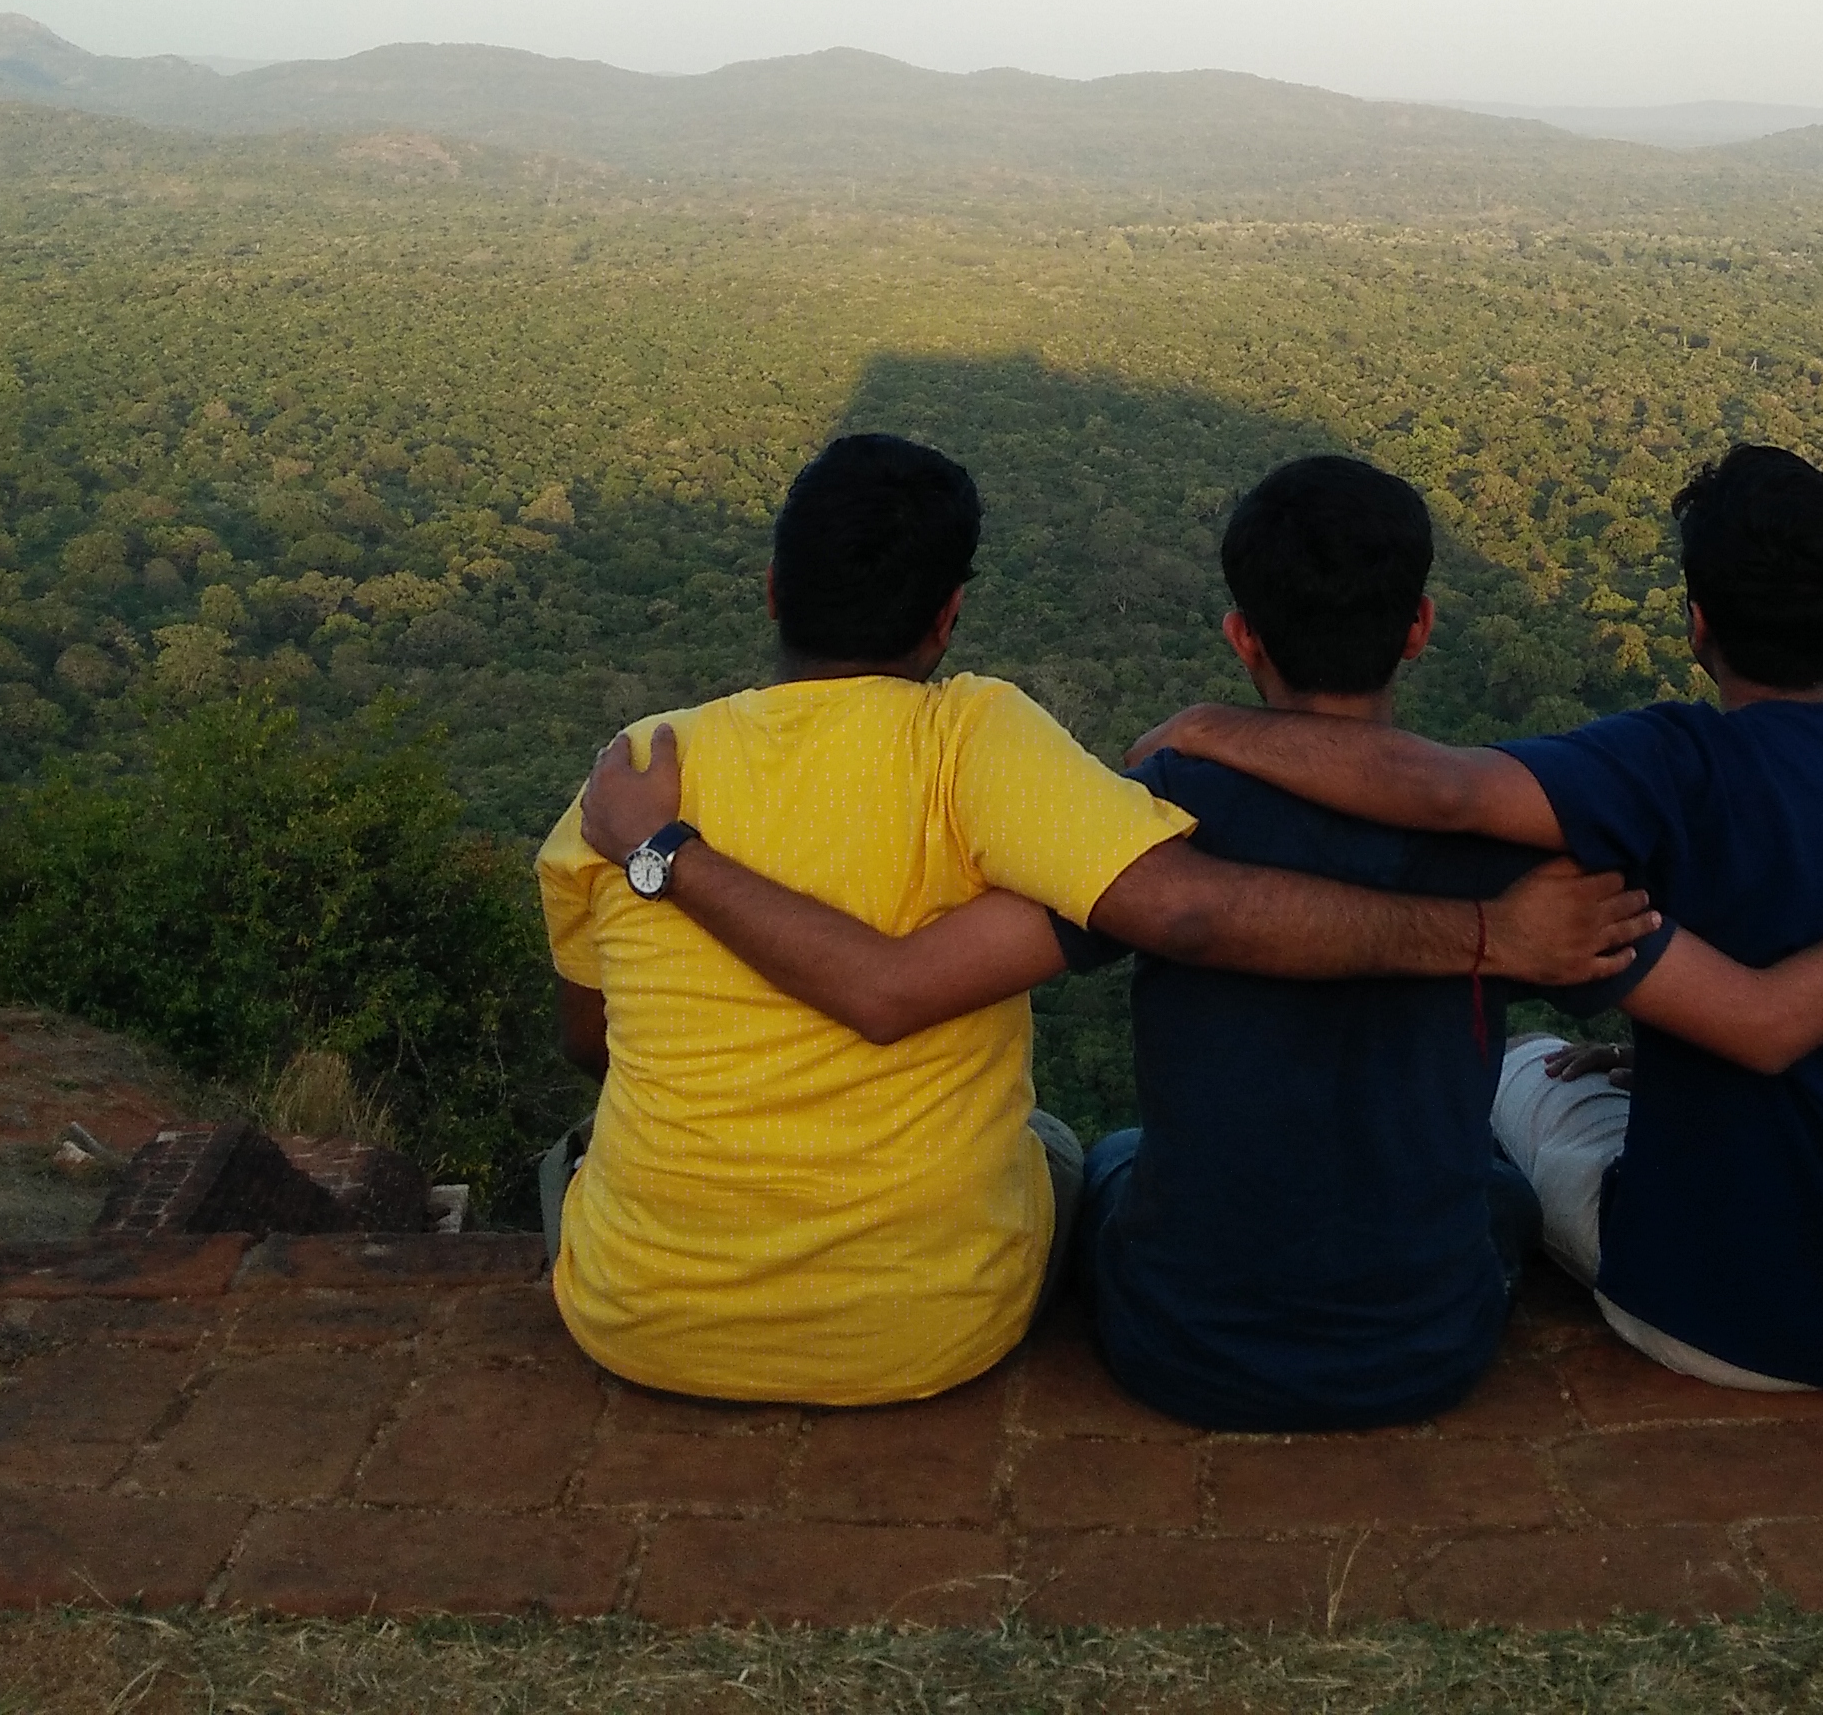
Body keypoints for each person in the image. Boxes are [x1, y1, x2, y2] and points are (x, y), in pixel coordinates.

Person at [587, 452, 1823, 1430]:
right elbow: (1709, 988)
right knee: (1506, 1132)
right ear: (1424, 626)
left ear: (1235, 634)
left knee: (1111, 1158)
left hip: (1178, 1350)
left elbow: (964, 967)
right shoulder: (1539, 844)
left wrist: (668, 856)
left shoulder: (1149, 821)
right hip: (1439, 1344)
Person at [539, 431, 1656, 1408]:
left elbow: (594, 1045)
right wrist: (1486, 938)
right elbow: (1176, 913)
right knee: (1094, 1147)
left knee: (1105, 1152)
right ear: (949, 614)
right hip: (963, 1327)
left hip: (639, 1318)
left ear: (773, 590)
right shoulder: (979, 744)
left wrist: (661, 854)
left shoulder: (628, 777)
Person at [1128, 442, 1823, 1394]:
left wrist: (1206, 725)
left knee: (1529, 1069)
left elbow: (1437, 790)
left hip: (1713, 1317)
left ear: (1697, 626)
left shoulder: (1658, 774)